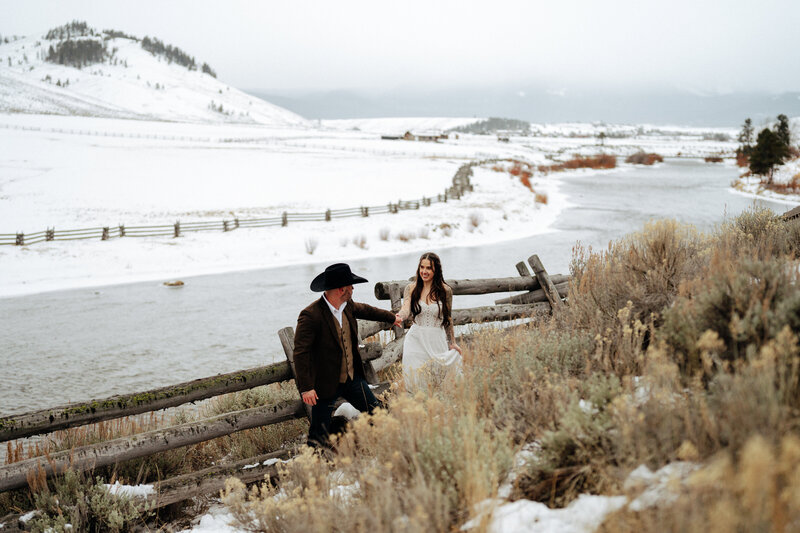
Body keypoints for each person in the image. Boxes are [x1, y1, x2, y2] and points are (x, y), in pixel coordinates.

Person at [293, 263, 401, 447]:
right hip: (325, 385)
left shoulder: (347, 305)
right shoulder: (310, 315)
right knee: (319, 433)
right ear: (341, 289)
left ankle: (386, 448)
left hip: (352, 379)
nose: (353, 288)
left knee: (378, 413)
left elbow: (367, 310)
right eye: (351, 285)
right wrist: (306, 387)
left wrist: (392, 317)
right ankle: (314, 468)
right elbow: (300, 352)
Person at [397, 252, 462, 390]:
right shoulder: (411, 288)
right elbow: (406, 309)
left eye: (428, 268)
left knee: (438, 380)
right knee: (415, 381)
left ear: (436, 270)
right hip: (415, 340)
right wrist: (398, 317)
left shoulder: (445, 291)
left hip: (436, 339)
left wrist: (453, 343)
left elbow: (448, 318)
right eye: (422, 267)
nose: (424, 271)